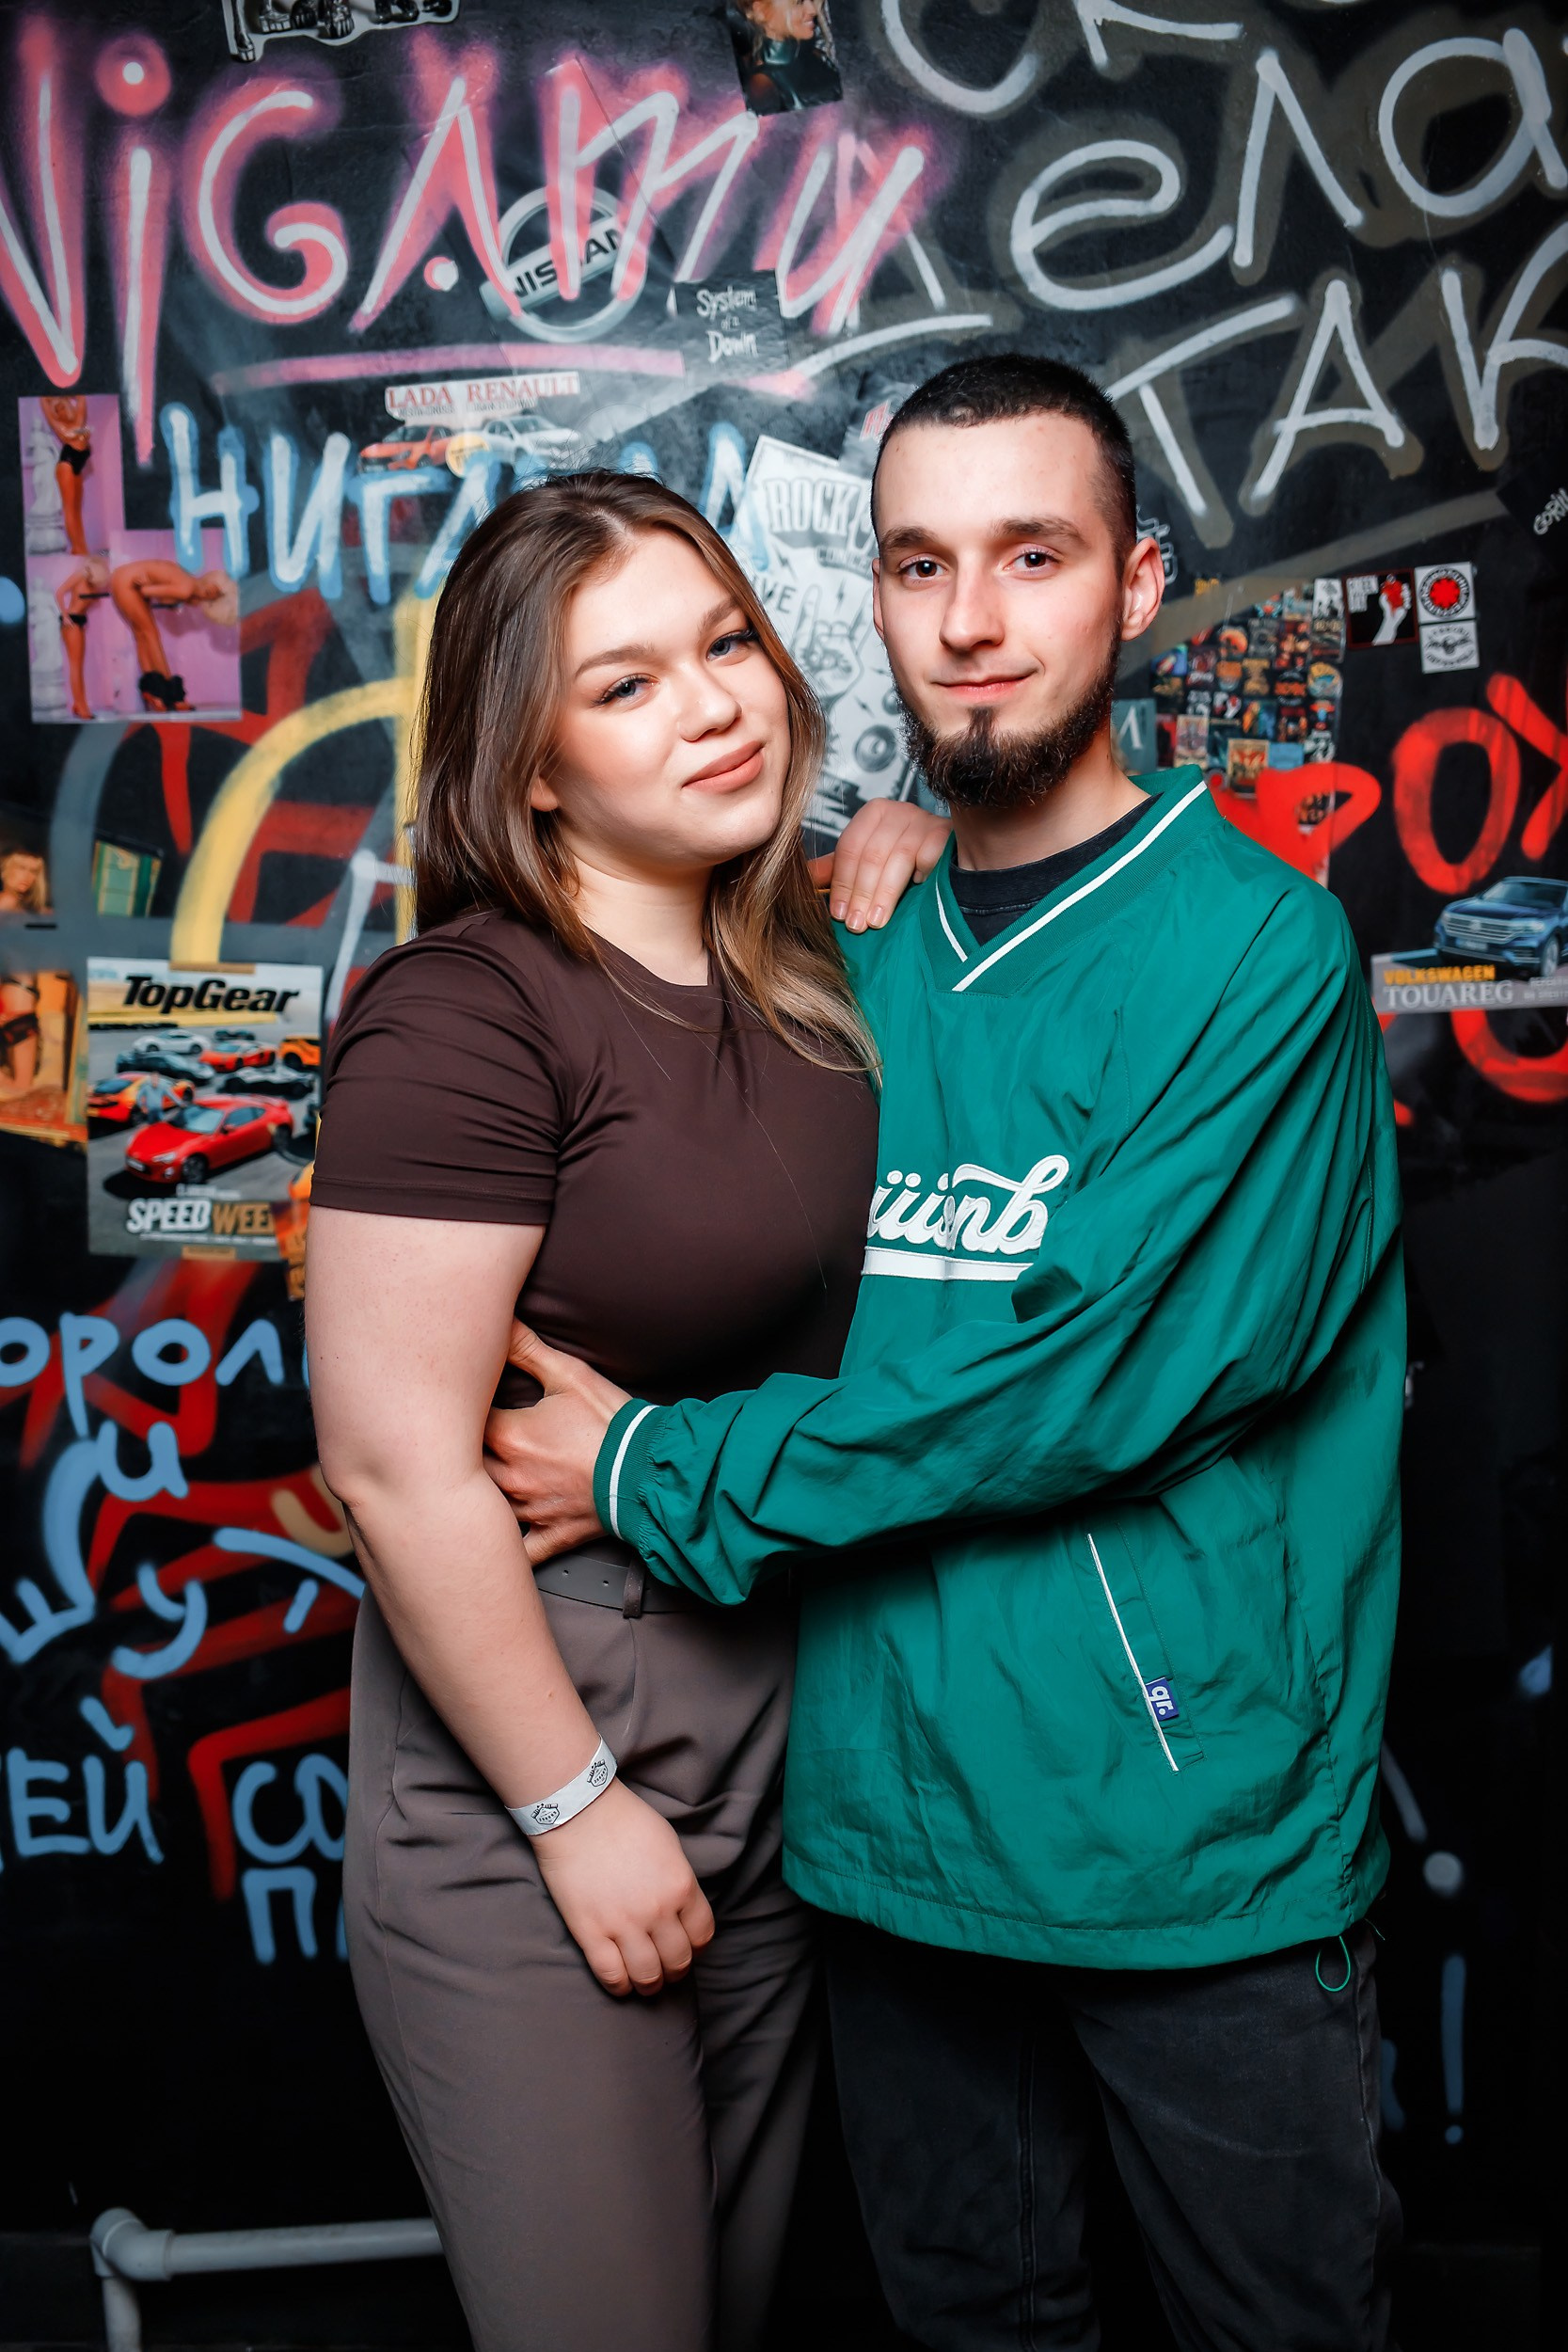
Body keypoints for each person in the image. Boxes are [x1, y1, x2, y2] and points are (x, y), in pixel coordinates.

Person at [485, 356, 1406, 2352]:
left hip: (1185, 1847)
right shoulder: (840, 941)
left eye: (1032, 556)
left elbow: (1076, 1386)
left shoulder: (1258, 955)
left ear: (1136, 586)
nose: (970, 620)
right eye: (919, 563)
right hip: (887, 1847)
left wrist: (653, 1468)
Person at [304, 471, 944, 2352]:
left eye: (725, 642)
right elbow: (390, 1463)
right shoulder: (467, 1013)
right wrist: (572, 1807)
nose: (717, 704)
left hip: (783, 1715)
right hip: (541, 1735)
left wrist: (933, 840)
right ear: (531, 768)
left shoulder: (814, 960)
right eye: (627, 684)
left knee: (723, 2312)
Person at [106, 556, 239, 711]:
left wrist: (147, 580)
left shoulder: (187, 581)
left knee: (142, 635)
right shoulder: (187, 588)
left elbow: (151, 588)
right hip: (127, 582)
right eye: (211, 591)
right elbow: (145, 591)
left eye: (212, 595)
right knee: (150, 634)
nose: (207, 594)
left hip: (123, 578)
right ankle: (171, 695)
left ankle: (153, 692)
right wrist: (147, 582)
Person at [728, 0, 842, 114]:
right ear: (761, 12)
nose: (813, 10)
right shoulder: (763, 84)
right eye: (798, 2)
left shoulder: (817, 56)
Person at [55, 556, 111, 721]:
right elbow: (60, 592)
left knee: (79, 666)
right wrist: (65, 616)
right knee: (76, 666)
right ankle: (81, 706)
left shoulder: (95, 583)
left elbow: (85, 603)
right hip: (71, 621)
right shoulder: (80, 575)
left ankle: (78, 704)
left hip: (80, 621)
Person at [40, 395, 92, 556]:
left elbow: (81, 398)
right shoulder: (60, 425)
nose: (59, 412)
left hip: (77, 465)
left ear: (69, 406)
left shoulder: (78, 418)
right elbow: (44, 400)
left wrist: (65, 394)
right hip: (66, 464)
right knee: (69, 509)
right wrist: (83, 432)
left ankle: (82, 547)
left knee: (76, 510)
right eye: (56, 410)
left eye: (62, 407)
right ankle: (77, 548)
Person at [0, 845, 50, 918]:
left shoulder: (23, 905)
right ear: (5, 870)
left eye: (33, 871)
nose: (27, 876)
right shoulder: (7, 900)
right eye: (22, 868)